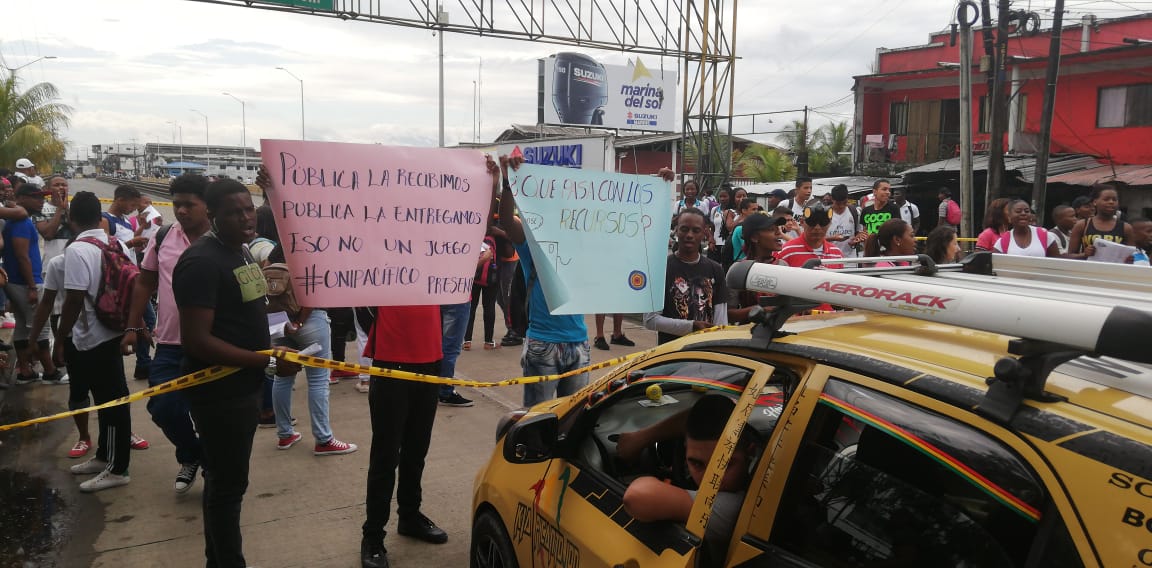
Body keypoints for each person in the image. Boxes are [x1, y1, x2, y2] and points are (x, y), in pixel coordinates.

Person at [174, 179, 302, 566]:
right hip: (220, 393)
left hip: (243, 385)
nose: (246, 217)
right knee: (227, 488)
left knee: (227, 482)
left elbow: (244, 310)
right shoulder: (201, 262)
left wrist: (280, 327)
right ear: (212, 216)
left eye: (249, 208)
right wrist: (264, 359)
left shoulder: (241, 252)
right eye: (234, 211)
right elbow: (197, 341)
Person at [122, 174, 211, 493]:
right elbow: (145, 282)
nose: (182, 211)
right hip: (171, 344)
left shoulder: (223, 240)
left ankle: (211, 467)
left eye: (190, 204)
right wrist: (133, 326)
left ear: (207, 205)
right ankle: (192, 454)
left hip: (214, 344)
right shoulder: (164, 237)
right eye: (178, 205)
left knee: (209, 412)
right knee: (162, 406)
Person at [499, 154, 594, 407]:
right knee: (536, 419)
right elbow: (507, 222)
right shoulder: (534, 245)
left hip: (579, 343)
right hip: (543, 342)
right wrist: (508, 184)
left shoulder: (584, 245)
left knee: (572, 418)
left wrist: (660, 187)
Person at [620, 395, 756, 567]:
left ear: (750, 453)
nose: (710, 479)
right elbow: (704, 414)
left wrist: (643, 438)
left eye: (724, 465)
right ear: (685, 452)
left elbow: (637, 497)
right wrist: (641, 438)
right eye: (697, 463)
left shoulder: (731, 508)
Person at [59, 192, 134, 493]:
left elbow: (75, 298)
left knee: (113, 402)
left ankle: (118, 468)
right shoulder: (116, 243)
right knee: (107, 400)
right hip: (113, 328)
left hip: (93, 336)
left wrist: (61, 338)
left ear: (71, 219)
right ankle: (105, 456)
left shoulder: (77, 250)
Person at [6, 183, 66, 385]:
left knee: (23, 327)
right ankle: (50, 372)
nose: (41, 201)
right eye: (36, 197)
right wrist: (32, 286)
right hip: (26, 282)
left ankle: (25, 371)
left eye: (42, 197)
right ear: (20, 198)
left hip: (18, 281)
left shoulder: (20, 221)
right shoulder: (22, 223)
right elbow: (22, 256)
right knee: (41, 327)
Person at [645, 207, 729, 345]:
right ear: (676, 230)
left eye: (696, 230)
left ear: (704, 233)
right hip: (671, 354)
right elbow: (650, 320)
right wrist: (691, 326)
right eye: (684, 229)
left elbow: (721, 321)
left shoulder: (716, 269)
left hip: (706, 352)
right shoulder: (661, 269)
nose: (689, 235)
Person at [727, 213, 787, 324]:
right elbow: (728, 314)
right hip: (747, 334)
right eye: (771, 229)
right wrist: (758, 310)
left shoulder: (783, 266)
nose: (779, 233)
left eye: (778, 228)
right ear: (754, 237)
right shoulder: (739, 269)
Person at [1067, 184, 1133, 260]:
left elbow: (1132, 256)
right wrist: (1084, 254)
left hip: (1114, 271)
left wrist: (1129, 259)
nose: (1111, 202)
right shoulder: (1082, 225)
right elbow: (1069, 256)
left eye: (1114, 199)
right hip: (1087, 270)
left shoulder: (1126, 228)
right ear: (1095, 202)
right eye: (1106, 199)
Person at [777, 203, 846, 269]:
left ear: (830, 223)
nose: (817, 227)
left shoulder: (837, 254)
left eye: (823, 222)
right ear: (802, 222)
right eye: (812, 222)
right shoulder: (785, 252)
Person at [463, 235, 500, 351]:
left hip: (474, 277)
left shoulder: (472, 233)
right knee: (489, 308)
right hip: (491, 278)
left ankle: (466, 341)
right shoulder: (496, 235)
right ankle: (488, 342)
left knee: (471, 308)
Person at [992, 200, 1060, 258]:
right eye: (1018, 211)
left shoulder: (1045, 235)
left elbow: (1056, 264)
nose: (1023, 213)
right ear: (1009, 217)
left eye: (1027, 211)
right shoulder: (1002, 242)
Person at [826, 184, 866, 258]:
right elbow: (816, 239)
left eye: (844, 203)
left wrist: (855, 240)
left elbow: (859, 232)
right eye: (838, 204)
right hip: (830, 258)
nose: (841, 206)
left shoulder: (854, 212)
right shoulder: (825, 214)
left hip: (850, 259)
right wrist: (832, 238)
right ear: (832, 199)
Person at [726, 198, 759, 263]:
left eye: (757, 209)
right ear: (744, 210)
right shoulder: (741, 228)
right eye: (753, 209)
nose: (756, 212)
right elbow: (748, 249)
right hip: (742, 263)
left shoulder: (749, 226)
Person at [708, 187, 732, 264]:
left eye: (725, 196)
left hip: (728, 245)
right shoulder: (714, 210)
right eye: (720, 196)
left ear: (730, 197)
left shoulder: (733, 211)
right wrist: (711, 240)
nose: (722, 199)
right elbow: (712, 227)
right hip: (715, 245)